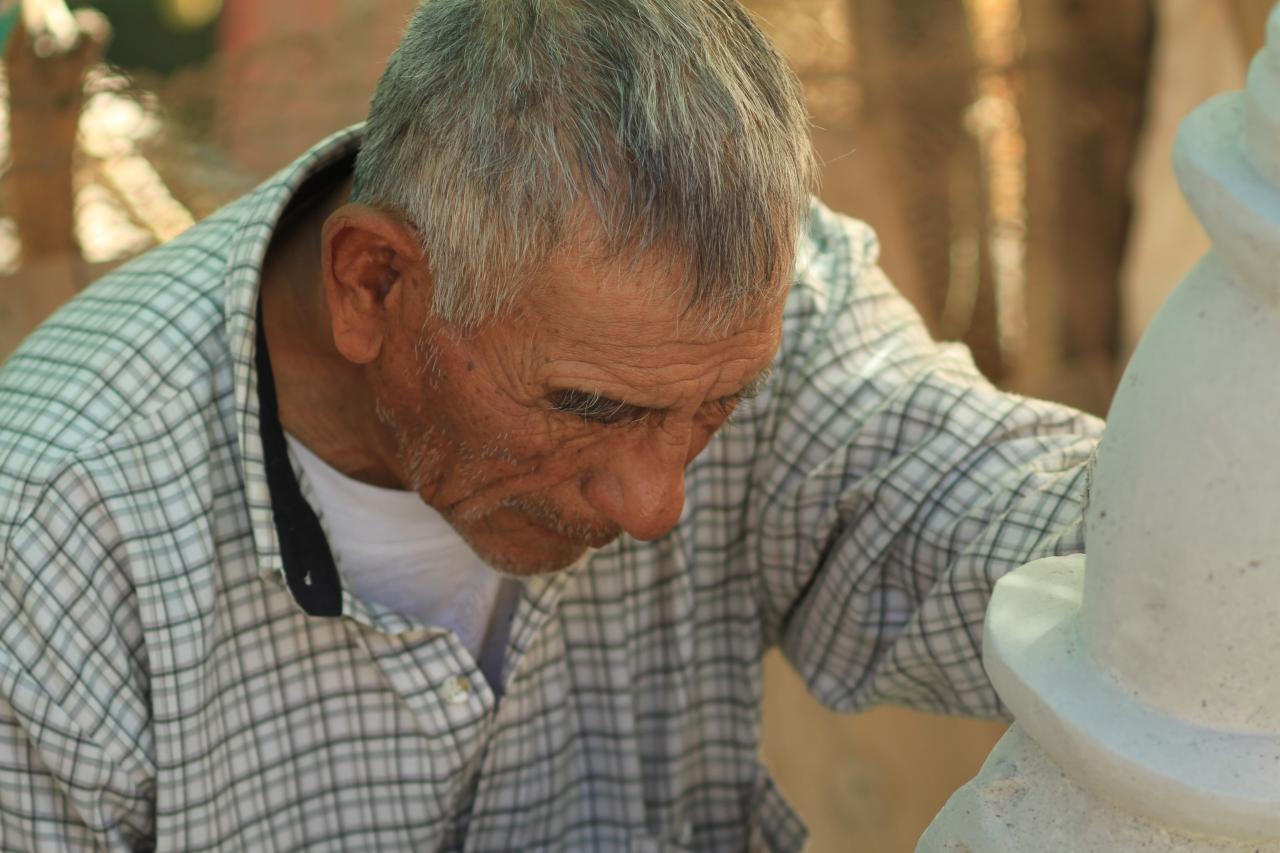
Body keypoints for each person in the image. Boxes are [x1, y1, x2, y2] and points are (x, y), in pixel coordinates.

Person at [0, 0, 1100, 849]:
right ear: (372, 282)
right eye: (587, 406)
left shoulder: (741, 310)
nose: (654, 501)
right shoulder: (55, 532)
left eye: (714, 407)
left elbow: (991, 519)